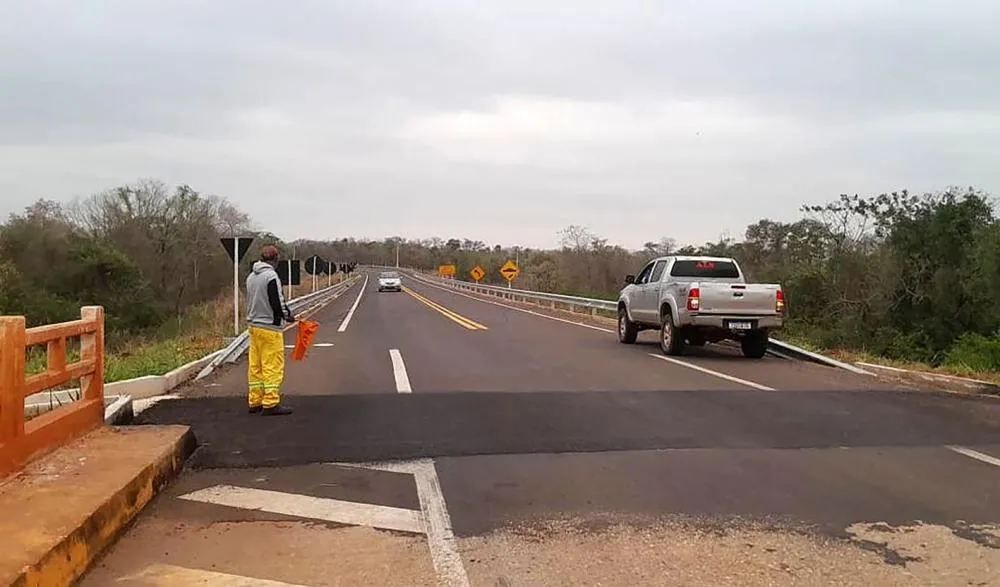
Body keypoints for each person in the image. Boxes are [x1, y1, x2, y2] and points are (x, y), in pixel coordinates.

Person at [245, 245, 295, 415]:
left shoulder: (251, 276)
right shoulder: (271, 276)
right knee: (272, 366)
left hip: (254, 327)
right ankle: (271, 402)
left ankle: (255, 400)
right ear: (275, 259)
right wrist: (287, 315)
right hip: (269, 328)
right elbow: (277, 301)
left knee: (255, 366)